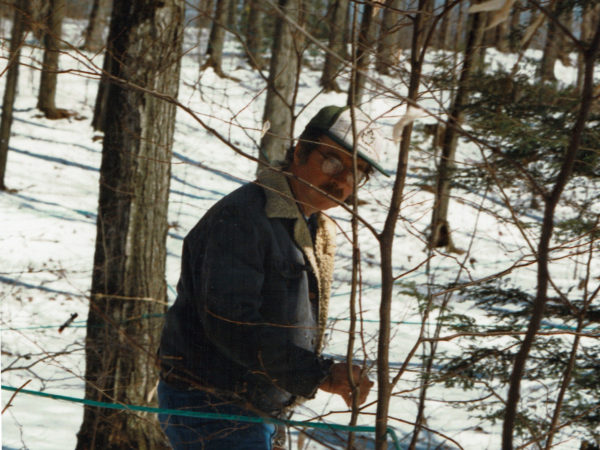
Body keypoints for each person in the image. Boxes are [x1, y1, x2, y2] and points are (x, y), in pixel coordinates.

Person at [157, 105, 389, 449]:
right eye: (332, 161)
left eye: (357, 173)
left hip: (257, 405)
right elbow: (231, 324)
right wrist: (319, 374)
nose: (341, 180)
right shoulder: (244, 218)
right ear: (300, 152)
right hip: (213, 403)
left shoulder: (309, 225)